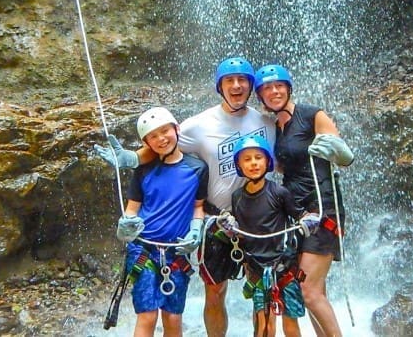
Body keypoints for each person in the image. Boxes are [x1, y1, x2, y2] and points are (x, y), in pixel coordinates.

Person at [95, 57, 276, 337]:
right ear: (220, 86)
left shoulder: (267, 122)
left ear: (252, 86)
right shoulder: (198, 125)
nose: (237, 86)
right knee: (215, 291)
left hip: (258, 214)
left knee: (263, 288)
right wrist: (131, 158)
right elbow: (163, 142)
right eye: (230, 80)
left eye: (243, 80)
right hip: (216, 220)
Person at [252, 64, 355, 337]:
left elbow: (342, 155)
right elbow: (282, 170)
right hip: (297, 213)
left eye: (279, 86)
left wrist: (340, 152)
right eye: (267, 89)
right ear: (260, 96)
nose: (274, 92)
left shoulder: (312, 114)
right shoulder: (277, 127)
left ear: (288, 88)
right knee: (313, 289)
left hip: (322, 208)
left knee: (309, 290)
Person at [114, 107, 208, 337]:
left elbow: (198, 206)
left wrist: (196, 231)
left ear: (176, 130)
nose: (161, 139)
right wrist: (125, 226)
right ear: (146, 143)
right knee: (147, 314)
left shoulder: (197, 168)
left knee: (173, 317)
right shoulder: (144, 170)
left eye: (165, 131)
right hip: (143, 249)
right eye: (153, 136)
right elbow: (132, 209)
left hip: (177, 250)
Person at [227, 134, 319, 337]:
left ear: (268, 161)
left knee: (290, 324)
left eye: (258, 158)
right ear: (239, 166)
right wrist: (229, 226)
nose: (253, 163)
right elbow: (239, 230)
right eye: (247, 159)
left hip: (284, 267)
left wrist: (309, 220)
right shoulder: (237, 198)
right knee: (264, 325)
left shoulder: (279, 192)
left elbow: (299, 215)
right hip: (258, 270)